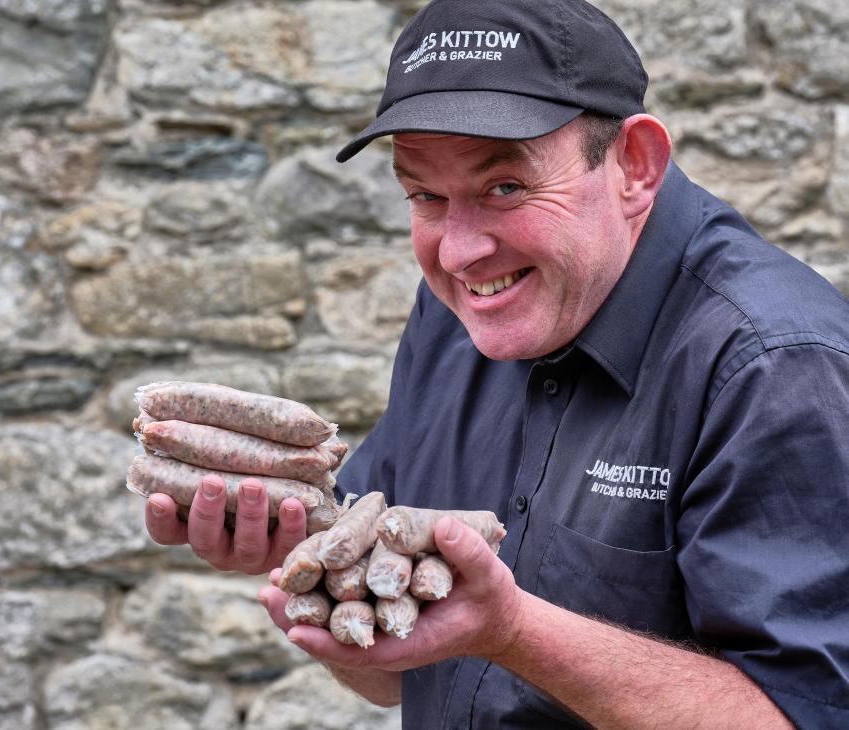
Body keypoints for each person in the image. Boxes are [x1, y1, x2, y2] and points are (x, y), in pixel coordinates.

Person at [144, 0, 849, 727]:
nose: (457, 253)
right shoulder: (461, 308)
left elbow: (801, 716)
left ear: (635, 166)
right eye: (424, 194)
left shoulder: (777, 364)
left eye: (504, 188)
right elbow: (397, 676)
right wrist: (306, 563)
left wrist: (513, 632)